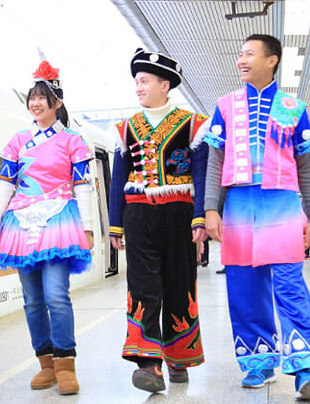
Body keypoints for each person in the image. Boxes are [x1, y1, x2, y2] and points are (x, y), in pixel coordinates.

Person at [203, 34, 310, 400]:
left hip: (283, 204)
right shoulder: (224, 106)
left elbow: (306, 166)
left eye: (249, 54)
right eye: (240, 54)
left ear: (272, 60)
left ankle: (306, 369)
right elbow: (214, 162)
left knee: (289, 285)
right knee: (244, 286)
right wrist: (211, 208)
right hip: (238, 205)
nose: (241, 59)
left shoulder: (293, 106)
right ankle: (258, 362)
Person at [0, 60, 95, 395]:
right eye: (32, 97)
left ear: (57, 103)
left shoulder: (73, 141)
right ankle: (45, 363)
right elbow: (5, 183)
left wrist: (88, 228)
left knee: (57, 295)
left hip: (60, 218)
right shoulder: (17, 141)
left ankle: (65, 364)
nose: (35, 103)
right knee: (32, 300)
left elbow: (83, 186)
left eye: (42, 97)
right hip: (20, 223)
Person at [109, 48, 209, 393]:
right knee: (142, 286)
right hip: (138, 214)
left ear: (165, 84)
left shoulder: (193, 123)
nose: (138, 87)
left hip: (180, 213)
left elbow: (201, 170)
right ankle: (149, 363)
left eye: (145, 80)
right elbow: (118, 177)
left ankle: (179, 358)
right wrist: (116, 224)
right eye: (137, 81)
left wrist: (201, 217)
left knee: (179, 284)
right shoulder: (125, 128)